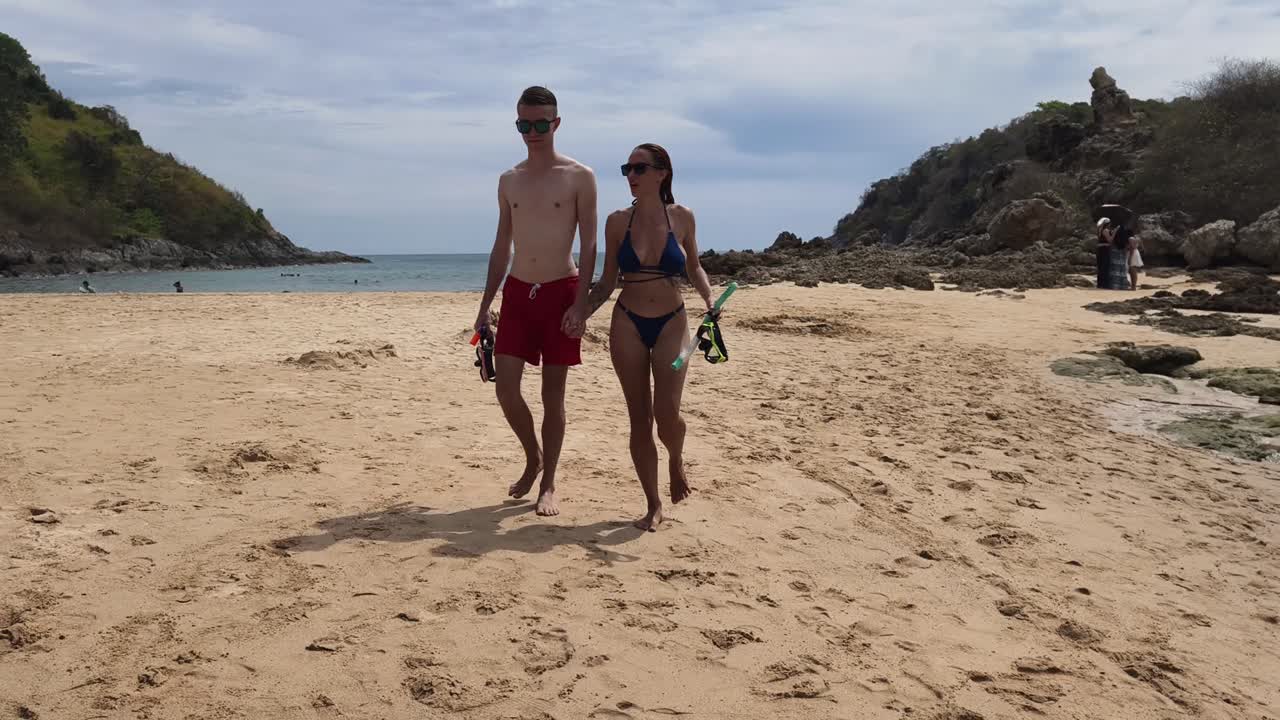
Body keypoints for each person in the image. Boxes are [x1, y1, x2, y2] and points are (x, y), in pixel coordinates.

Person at [474, 85, 598, 517]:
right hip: (517, 291)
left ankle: (548, 483)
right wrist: (484, 304)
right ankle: (533, 457)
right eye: (524, 124)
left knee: (553, 398)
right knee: (506, 390)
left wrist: (580, 305)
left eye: (541, 123)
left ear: (556, 123)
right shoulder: (509, 180)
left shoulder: (580, 176)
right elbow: (501, 245)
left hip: (561, 290)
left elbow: (590, 245)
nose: (533, 132)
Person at [584, 143, 716, 531]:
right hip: (627, 320)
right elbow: (607, 281)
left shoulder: (683, 217)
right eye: (627, 169)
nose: (631, 175)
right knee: (638, 418)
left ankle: (676, 458)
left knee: (666, 414)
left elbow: (695, 267)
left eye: (639, 168)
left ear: (662, 173)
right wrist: (579, 313)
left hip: (673, 321)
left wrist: (709, 299)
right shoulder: (616, 221)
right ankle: (653, 503)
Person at [1095, 218, 1114, 289]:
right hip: (1105, 249)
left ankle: (1100, 283)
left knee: (1101, 266)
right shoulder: (1105, 230)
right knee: (1105, 266)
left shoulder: (1100, 230)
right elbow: (1110, 240)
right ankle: (1105, 284)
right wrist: (1114, 233)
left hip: (1100, 249)